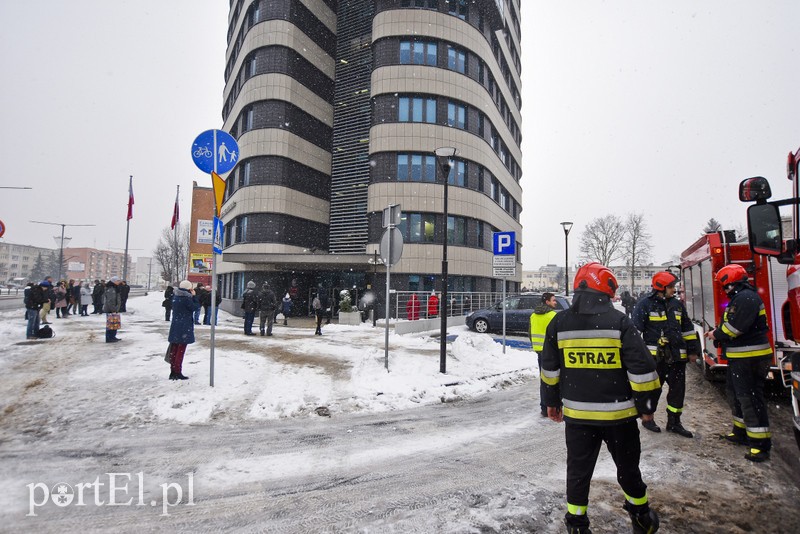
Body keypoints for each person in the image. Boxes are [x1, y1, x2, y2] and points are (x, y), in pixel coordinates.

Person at [540, 262, 661, 534]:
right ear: (606, 290)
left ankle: (577, 524)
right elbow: (642, 369)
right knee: (628, 469)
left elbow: (549, 369)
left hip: (578, 417)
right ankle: (641, 515)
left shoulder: (559, 323)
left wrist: (551, 402)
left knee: (578, 472)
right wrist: (646, 406)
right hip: (619, 417)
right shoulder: (619, 322)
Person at [705, 264, 773, 462]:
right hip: (740, 358)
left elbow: (735, 328)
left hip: (750, 358)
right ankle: (741, 431)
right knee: (736, 394)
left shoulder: (746, 299)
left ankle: (760, 445)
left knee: (750, 399)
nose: (724, 290)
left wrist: (715, 334)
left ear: (732, 283)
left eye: (725, 286)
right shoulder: (741, 298)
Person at [632, 272, 700, 438]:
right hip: (655, 359)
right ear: (661, 288)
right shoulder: (645, 305)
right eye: (671, 287)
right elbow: (634, 332)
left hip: (676, 358)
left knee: (678, 391)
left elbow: (688, 329)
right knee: (652, 390)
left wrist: (692, 351)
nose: (674, 290)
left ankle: (674, 422)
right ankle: (648, 419)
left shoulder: (676, 305)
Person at [530, 292, 559, 417]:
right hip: (552, 352)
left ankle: (544, 407)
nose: (555, 302)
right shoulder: (553, 315)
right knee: (554, 380)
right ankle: (554, 407)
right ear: (547, 302)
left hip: (540, 351)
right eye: (553, 300)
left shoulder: (533, 316)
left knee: (544, 380)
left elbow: (529, 333)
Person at [166, 280, 201, 380]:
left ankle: (173, 371)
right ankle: (178, 371)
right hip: (184, 326)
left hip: (176, 325)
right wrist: (194, 297)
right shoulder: (186, 298)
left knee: (174, 349)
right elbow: (195, 307)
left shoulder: (176, 296)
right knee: (180, 350)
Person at [103, 276, 123, 342]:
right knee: (110, 324)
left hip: (114, 309)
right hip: (110, 309)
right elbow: (110, 300)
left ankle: (113, 336)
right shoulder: (111, 289)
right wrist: (113, 309)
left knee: (114, 323)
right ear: (114, 281)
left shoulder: (115, 288)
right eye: (118, 281)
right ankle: (109, 338)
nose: (119, 282)